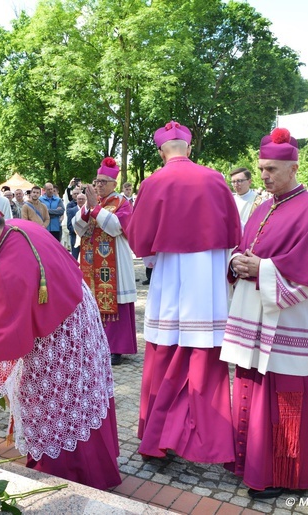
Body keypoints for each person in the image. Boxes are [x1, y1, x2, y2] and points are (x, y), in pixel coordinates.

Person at [0, 181, 121, 490]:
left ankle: (66, 480)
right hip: (75, 315)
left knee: (50, 402)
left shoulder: (10, 266)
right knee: (77, 397)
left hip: (60, 335)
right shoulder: (15, 228)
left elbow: (5, 343)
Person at [221, 128, 308, 499]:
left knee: (285, 396)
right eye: (261, 169)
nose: (264, 176)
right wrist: (236, 261)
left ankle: (284, 472)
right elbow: (243, 248)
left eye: (271, 169)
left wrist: (262, 269)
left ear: (294, 167)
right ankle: (250, 461)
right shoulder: (262, 205)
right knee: (251, 388)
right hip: (255, 315)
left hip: (290, 319)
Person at [127, 120, 240, 465]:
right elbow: (234, 231)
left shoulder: (154, 181)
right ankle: (211, 442)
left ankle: (159, 439)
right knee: (204, 361)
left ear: (162, 151)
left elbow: (138, 239)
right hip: (206, 287)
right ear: (189, 149)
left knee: (164, 356)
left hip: (170, 284)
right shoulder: (214, 179)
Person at [74, 157, 137, 366]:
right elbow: (78, 228)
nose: (98, 185)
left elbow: (116, 228)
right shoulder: (95, 203)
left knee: (114, 302)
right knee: (93, 302)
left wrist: (95, 208)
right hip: (92, 261)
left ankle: (116, 349)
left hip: (115, 262)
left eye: (103, 182)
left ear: (113, 184)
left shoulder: (121, 202)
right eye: (97, 181)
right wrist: (86, 209)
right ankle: (96, 344)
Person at [65, 186, 82, 259]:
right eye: (74, 194)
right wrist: (78, 232)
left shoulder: (88, 208)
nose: (76, 195)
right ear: (72, 195)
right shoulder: (70, 206)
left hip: (86, 238)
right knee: (74, 258)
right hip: (75, 237)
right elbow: (69, 225)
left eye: (78, 193)